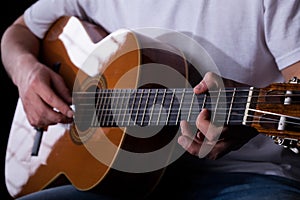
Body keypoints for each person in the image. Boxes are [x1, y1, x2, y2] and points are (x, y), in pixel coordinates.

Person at [1, 0, 300, 199]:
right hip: (124, 182)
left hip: (251, 176)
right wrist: (25, 72)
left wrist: (248, 124)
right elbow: (18, 32)